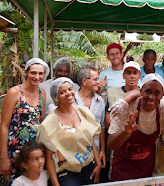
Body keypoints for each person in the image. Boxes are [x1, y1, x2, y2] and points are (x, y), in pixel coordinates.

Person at [108, 74, 164, 182]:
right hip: (122, 169)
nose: (151, 97)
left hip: (146, 170)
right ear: (141, 91)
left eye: (157, 93)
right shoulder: (127, 108)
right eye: (148, 91)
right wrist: (125, 133)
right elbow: (110, 144)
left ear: (162, 95)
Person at [36, 77, 101, 186]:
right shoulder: (50, 123)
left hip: (89, 167)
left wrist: (98, 164)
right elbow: (49, 157)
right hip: (67, 172)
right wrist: (55, 184)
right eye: (62, 92)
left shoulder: (83, 111)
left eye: (70, 89)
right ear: (56, 97)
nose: (68, 93)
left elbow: (90, 139)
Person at [0, 58, 49, 186]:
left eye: (40, 73)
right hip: (14, 149)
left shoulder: (42, 94)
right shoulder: (15, 92)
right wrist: (3, 157)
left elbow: (40, 121)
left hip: (34, 151)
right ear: (26, 73)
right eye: (33, 73)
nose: (37, 77)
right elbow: (4, 125)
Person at [74, 65, 106, 169]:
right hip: (73, 153)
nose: (98, 82)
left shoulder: (100, 101)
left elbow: (102, 127)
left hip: (94, 155)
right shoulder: (71, 100)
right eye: (95, 79)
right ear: (84, 81)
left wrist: (102, 150)